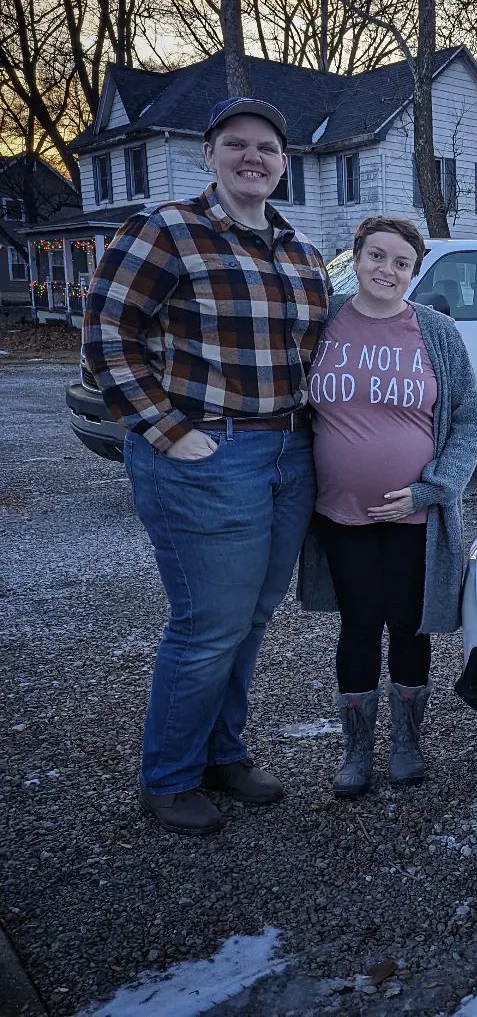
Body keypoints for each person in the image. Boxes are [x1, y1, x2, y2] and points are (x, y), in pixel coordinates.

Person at [83, 98, 330, 835]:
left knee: (251, 618)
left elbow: (320, 353)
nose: (253, 157)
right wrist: (168, 431)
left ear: (284, 164)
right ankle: (169, 777)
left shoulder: (302, 252)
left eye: (267, 148)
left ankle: (224, 754)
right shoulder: (164, 229)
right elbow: (107, 335)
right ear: (210, 155)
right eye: (237, 144)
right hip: (209, 455)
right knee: (208, 624)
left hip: (289, 454)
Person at [298, 216, 477, 797]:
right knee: (359, 624)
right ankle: (356, 751)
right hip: (339, 514)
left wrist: (433, 488)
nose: (387, 270)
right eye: (376, 256)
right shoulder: (322, 321)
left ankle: (407, 744)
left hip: (415, 517)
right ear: (355, 259)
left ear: (414, 271)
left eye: (401, 262)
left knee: (408, 625)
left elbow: (469, 421)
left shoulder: (437, 332)